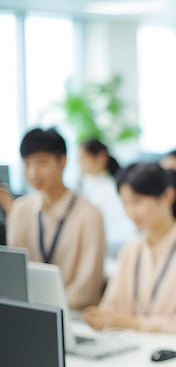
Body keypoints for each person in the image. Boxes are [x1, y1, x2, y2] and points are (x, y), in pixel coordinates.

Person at [84, 162, 176, 339]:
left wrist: (132, 324)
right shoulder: (131, 249)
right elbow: (111, 306)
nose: (130, 211)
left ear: (167, 196)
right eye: (125, 203)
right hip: (129, 350)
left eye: (137, 201)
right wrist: (101, 317)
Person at [7, 128, 105, 310]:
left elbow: (87, 289)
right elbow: (15, 275)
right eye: (27, 164)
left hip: (74, 316)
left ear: (62, 162)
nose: (33, 172)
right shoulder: (20, 210)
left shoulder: (89, 215)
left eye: (42, 163)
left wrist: (47, 308)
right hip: (28, 313)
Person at [78, 139, 136, 250]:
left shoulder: (113, 188)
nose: (80, 164)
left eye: (84, 159)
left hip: (113, 244)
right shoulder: (86, 183)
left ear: (101, 158)